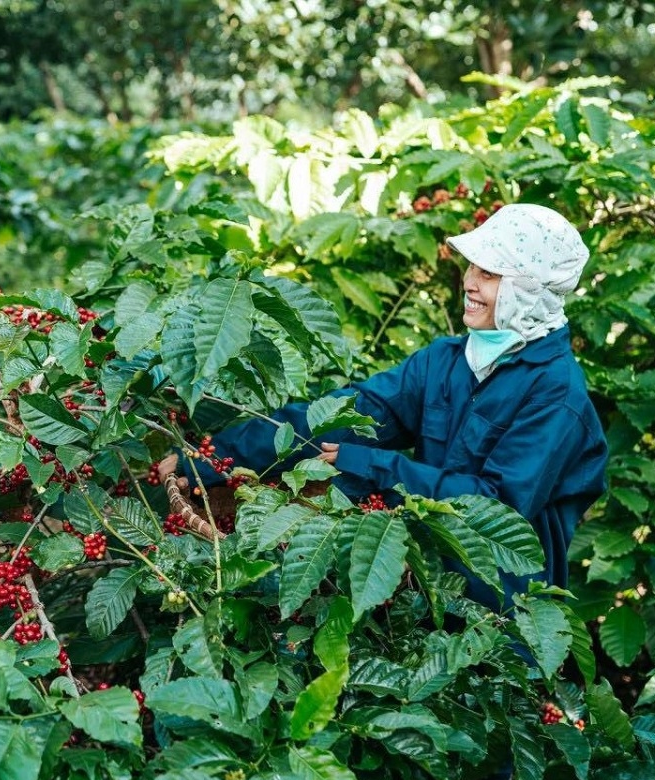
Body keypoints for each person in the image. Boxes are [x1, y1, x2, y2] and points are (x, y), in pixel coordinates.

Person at [178, 203, 608, 609]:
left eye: (491, 274)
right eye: (473, 267)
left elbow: (497, 510)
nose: (469, 282)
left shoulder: (557, 395)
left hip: (502, 609)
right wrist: (206, 460)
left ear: (531, 291)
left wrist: (375, 465)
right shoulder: (446, 362)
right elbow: (343, 416)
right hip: (417, 584)